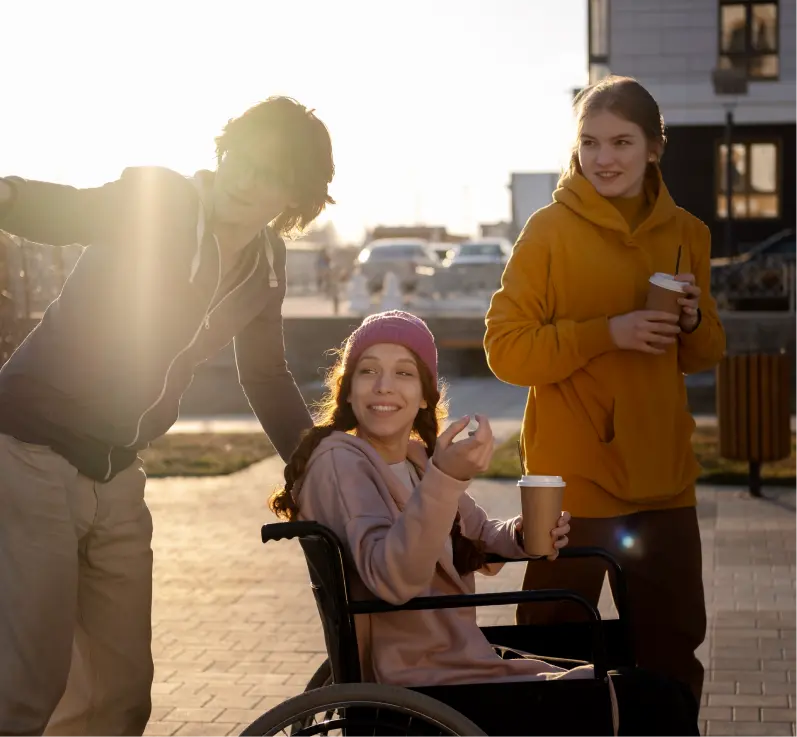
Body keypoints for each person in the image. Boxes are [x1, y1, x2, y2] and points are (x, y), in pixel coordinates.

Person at [0, 96, 334, 737]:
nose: (245, 179)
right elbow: (73, 209)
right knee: (26, 683)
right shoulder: (164, 201)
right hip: (31, 449)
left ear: (294, 194)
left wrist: (321, 465)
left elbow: (265, 375)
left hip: (118, 473)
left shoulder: (265, 265)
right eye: (242, 158)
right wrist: (10, 193)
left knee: (120, 696)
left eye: (270, 172)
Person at [484, 75, 726, 707]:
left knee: (673, 654)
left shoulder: (689, 235)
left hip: (666, 479)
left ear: (654, 148)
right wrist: (606, 332)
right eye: (590, 142)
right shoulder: (548, 231)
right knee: (553, 656)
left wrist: (694, 320)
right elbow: (505, 349)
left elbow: (703, 356)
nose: (603, 158)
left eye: (621, 141)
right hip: (574, 485)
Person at [267, 310, 588, 688]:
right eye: (368, 371)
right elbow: (393, 580)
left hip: (457, 655)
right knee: (637, 698)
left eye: (404, 373)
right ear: (348, 390)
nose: (384, 386)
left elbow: (479, 533)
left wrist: (524, 534)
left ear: (424, 396)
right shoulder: (338, 464)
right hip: (417, 675)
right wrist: (447, 477)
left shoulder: (418, 461)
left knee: (632, 683)